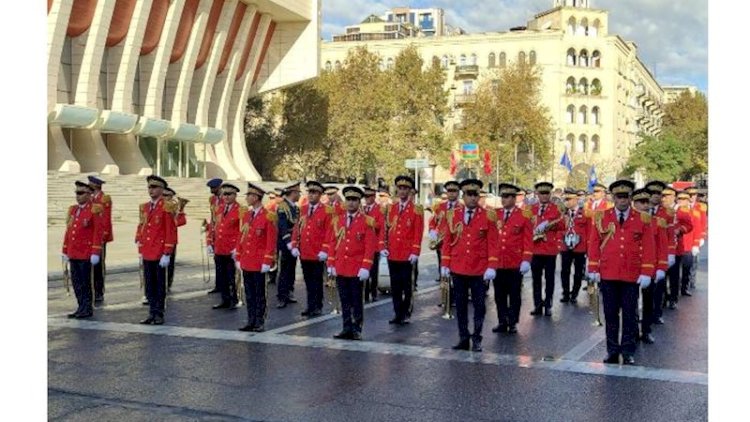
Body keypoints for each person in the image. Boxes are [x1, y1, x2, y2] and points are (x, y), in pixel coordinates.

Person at [587, 180, 655, 365]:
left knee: (629, 315)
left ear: (630, 198)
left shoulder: (642, 218)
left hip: (631, 274)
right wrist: (593, 267)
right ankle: (612, 350)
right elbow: (593, 243)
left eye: (626, 197)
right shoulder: (601, 216)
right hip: (608, 273)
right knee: (610, 314)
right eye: (619, 197)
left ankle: (627, 351)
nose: (623, 201)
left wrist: (647, 272)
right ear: (613, 198)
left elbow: (649, 247)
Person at [440, 179, 498, 352]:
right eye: (469, 195)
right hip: (458, 267)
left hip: (479, 268)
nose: (473, 198)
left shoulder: (488, 215)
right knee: (461, 305)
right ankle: (463, 337)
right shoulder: (452, 214)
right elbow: (447, 241)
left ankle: (477, 337)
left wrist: (492, 266)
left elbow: (493, 243)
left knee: (479, 306)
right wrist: (445, 262)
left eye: (476, 195)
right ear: (462, 196)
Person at [326, 186, 378, 340]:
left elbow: (370, 246)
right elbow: (332, 242)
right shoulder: (337, 220)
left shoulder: (367, 221)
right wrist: (331, 263)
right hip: (341, 266)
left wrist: (366, 266)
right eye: (348, 200)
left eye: (354, 200)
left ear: (359, 202)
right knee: (344, 300)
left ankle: (356, 328)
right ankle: (346, 327)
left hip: (356, 267)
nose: (350, 203)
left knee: (356, 300)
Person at [236, 183, 278, 332]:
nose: (246, 198)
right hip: (247, 260)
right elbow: (242, 236)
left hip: (259, 261)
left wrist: (268, 260)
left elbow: (270, 241)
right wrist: (238, 255)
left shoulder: (268, 216)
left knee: (260, 293)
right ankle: (250, 320)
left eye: (249, 195)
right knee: (249, 292)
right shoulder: (247, 215)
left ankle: (260, 321)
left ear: (256, 197)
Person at [135, 176, 177, 325]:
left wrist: (167, 253)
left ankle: (159, 313)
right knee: (149, 285)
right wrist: (139, 242)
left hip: (159, 252)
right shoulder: (145, 207)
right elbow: (142, 226)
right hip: (148, 251)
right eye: (149, 187)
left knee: (160, 285)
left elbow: (170, 231)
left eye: (154, 187)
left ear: (161, 189)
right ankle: (151, 312)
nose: (151, 190)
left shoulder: (167, 206)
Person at [491, 183, 532, 334]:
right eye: (502, 196)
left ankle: (513, 321)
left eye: (508, 197)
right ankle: (502, 320)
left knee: (514, 294)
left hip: (515, 262)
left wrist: (526, 259)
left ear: (514, 198)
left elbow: (528, 239)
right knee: (499, 294)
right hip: (498, 262)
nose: (504, 199)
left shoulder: (524, 215)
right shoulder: (495, 214)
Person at [383, 175, 424, 325]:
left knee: (407, 286)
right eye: (399, 188)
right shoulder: (390, 208)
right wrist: (383, 246)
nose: (402, 191)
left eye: (405, 188)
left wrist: (415, 251)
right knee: (395, 286)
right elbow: (385, 229)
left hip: (407, 254)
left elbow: (418, 232)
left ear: (410, 190)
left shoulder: (416, 210)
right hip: (393, 253)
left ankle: (406, 311)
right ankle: (397, 312)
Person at [62, 181, 104, 319]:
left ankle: (87, 308)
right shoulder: (73, 210)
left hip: (86, 253)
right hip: (74, 252)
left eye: (81, 193)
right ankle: (80, 306)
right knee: (76, 282)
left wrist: (95, 252)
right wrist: (65, 250)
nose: (78, 196)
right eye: (76, 193)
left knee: (86, 282)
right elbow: (69, 231)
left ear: (89, 194)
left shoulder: (94, 209)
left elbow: (98, 232)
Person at [290, 181, 333, 317]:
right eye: (310, 192)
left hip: (317, 251)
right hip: (305, 251)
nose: (311, 195)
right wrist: (294, 244)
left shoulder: (326, 210)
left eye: (314, 193)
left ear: (320, 195)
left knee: (316, 280)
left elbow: (329, 231)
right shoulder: (303, 208)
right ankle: (310, 305)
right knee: (308, 280)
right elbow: (298, 227)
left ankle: (317, 306)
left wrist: (325, 250)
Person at [631, 188, 668, 344]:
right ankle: (632, 330)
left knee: (648, 301)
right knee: (631, 302)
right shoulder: (628, 221)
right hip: (631, 268)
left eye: (647, 202)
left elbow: (662, 247)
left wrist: (661, 267)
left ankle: (646, 330)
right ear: (634, 203)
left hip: (649, 267)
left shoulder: (657, 222)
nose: (645, 205)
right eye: (641, 202)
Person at [529, 182, 563, 316]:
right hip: (535, 249)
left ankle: (548, 304)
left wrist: (548, 225)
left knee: (549, 279)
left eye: (547, 193)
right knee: (536, 279)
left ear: (550, 194)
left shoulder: (556, 208)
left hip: (549, 250)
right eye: (541, 193)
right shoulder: (531, 209)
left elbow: (562, 225)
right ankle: (537, 304)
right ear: (537, 194)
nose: (544, 196)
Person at [209, 183, 243, 310]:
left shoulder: (240, 210)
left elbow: (242, 230)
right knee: (221, 276)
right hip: (220, 247)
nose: (226, 197)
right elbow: (214, 226)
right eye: (224, 194)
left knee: (232, 276)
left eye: (229, 194)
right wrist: (210, 241)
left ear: (235, 195)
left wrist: (238, 248)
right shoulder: (219, 208)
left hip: (231, 248)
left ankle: (235, 299)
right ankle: (224, 299)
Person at [660, 187, 693, 310]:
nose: (665, 199)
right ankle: (663, 297)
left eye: (668, 196)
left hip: (676, 248)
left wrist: (680, 230)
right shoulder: (660, 211)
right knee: (662, 275)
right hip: (662, 248)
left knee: (673, 275)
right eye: (663, 196)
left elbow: (689, 226)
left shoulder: (681, 211)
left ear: (674, 197)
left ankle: (673, 298)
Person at [559, 188, 591, 305]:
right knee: (564, 271)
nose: (567, 202)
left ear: (576, 199)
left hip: (580, 247)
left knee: (578, 272)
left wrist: (588, 249)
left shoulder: (585, 213)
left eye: (569, 199)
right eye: (565, 199)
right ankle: (566, 293)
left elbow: (589, 231)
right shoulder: (563, 213)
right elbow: (559, 229)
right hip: (565, 246)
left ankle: (574, 294)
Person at [429, 181, 461, 284]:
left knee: (456, 265)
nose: (451, 193)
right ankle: (444, 282)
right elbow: (433, 221)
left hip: (456, 241)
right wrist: (432, 231)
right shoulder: (439, 206)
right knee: (442, 262)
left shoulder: (462, 207)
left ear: (458, 193)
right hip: (441, 241)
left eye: (454, 191)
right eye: (449, 191)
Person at [276, 182, 301, 308]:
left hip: (294, 242)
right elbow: (283, 226)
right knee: (285, 269)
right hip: (286, 242)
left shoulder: (295, 208)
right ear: (293, 193)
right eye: (297, 193)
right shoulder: (283, 207)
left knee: (291, 268)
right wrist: (288, 242)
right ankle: (282, 295)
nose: (299, 195)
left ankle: (289, 291)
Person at [87, 176, 111, 304]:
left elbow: (105, 218)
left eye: (90, 183)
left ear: (96, 185)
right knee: (89, 265)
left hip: (100, 236)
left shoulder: (104, 198)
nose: (88, 185)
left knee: (98, 266)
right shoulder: (90, 198)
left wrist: (103, 235)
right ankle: (90, 290)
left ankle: (99, 292)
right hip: (89, 236)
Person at [362, 186, 386, 302]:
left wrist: (369, 221)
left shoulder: (379, 209)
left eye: (369, 196)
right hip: (363, 244)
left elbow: (380, 226)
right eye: (365, 196)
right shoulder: (362, 208)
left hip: (375, 245)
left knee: (373, 271)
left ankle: (374, 292)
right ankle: (365, 294)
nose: (366, 199)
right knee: (363, 269)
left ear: (373, 197)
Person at [677, 191, 702, 298]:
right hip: (676, 246)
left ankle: (684, 288)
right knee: (675, 270)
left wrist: (696, 243)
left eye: (684, 199)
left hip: (688, 245)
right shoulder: (673, 211)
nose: (682, 201)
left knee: (687, 269)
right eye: (680, 199)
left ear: (688, 201)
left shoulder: (694, 213)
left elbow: (697, 229)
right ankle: (674, 290)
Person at [162, 187, 187, 292]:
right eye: (164, 195)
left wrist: (179, 212)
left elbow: (182, 221)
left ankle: (168, 282)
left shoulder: (174, 208)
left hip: (171, 239)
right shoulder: (158, 206)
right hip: (158, 239)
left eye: (167, 196)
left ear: (171, 196)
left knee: (170, 263)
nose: (165, 197)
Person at [687, 186, 707, 290]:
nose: (692, 197)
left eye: (694, 195)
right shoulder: (682, 206)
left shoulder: (701, 207)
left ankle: (692, 281)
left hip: (696, 236)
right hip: (686, 236)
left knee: (694, 260)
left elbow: (703, 223)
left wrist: (702, 237)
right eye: (690, 195)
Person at [206, 178, 223, 294]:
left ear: (219, 187)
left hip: (224, 232)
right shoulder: (212, 199)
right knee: (217, 260)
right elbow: (212, 216)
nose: (212, 190)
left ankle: (226, 285)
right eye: (211, 188)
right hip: (215, 231)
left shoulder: (225, 198)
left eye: (213, 188)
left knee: (224, 262)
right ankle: (218, 285)